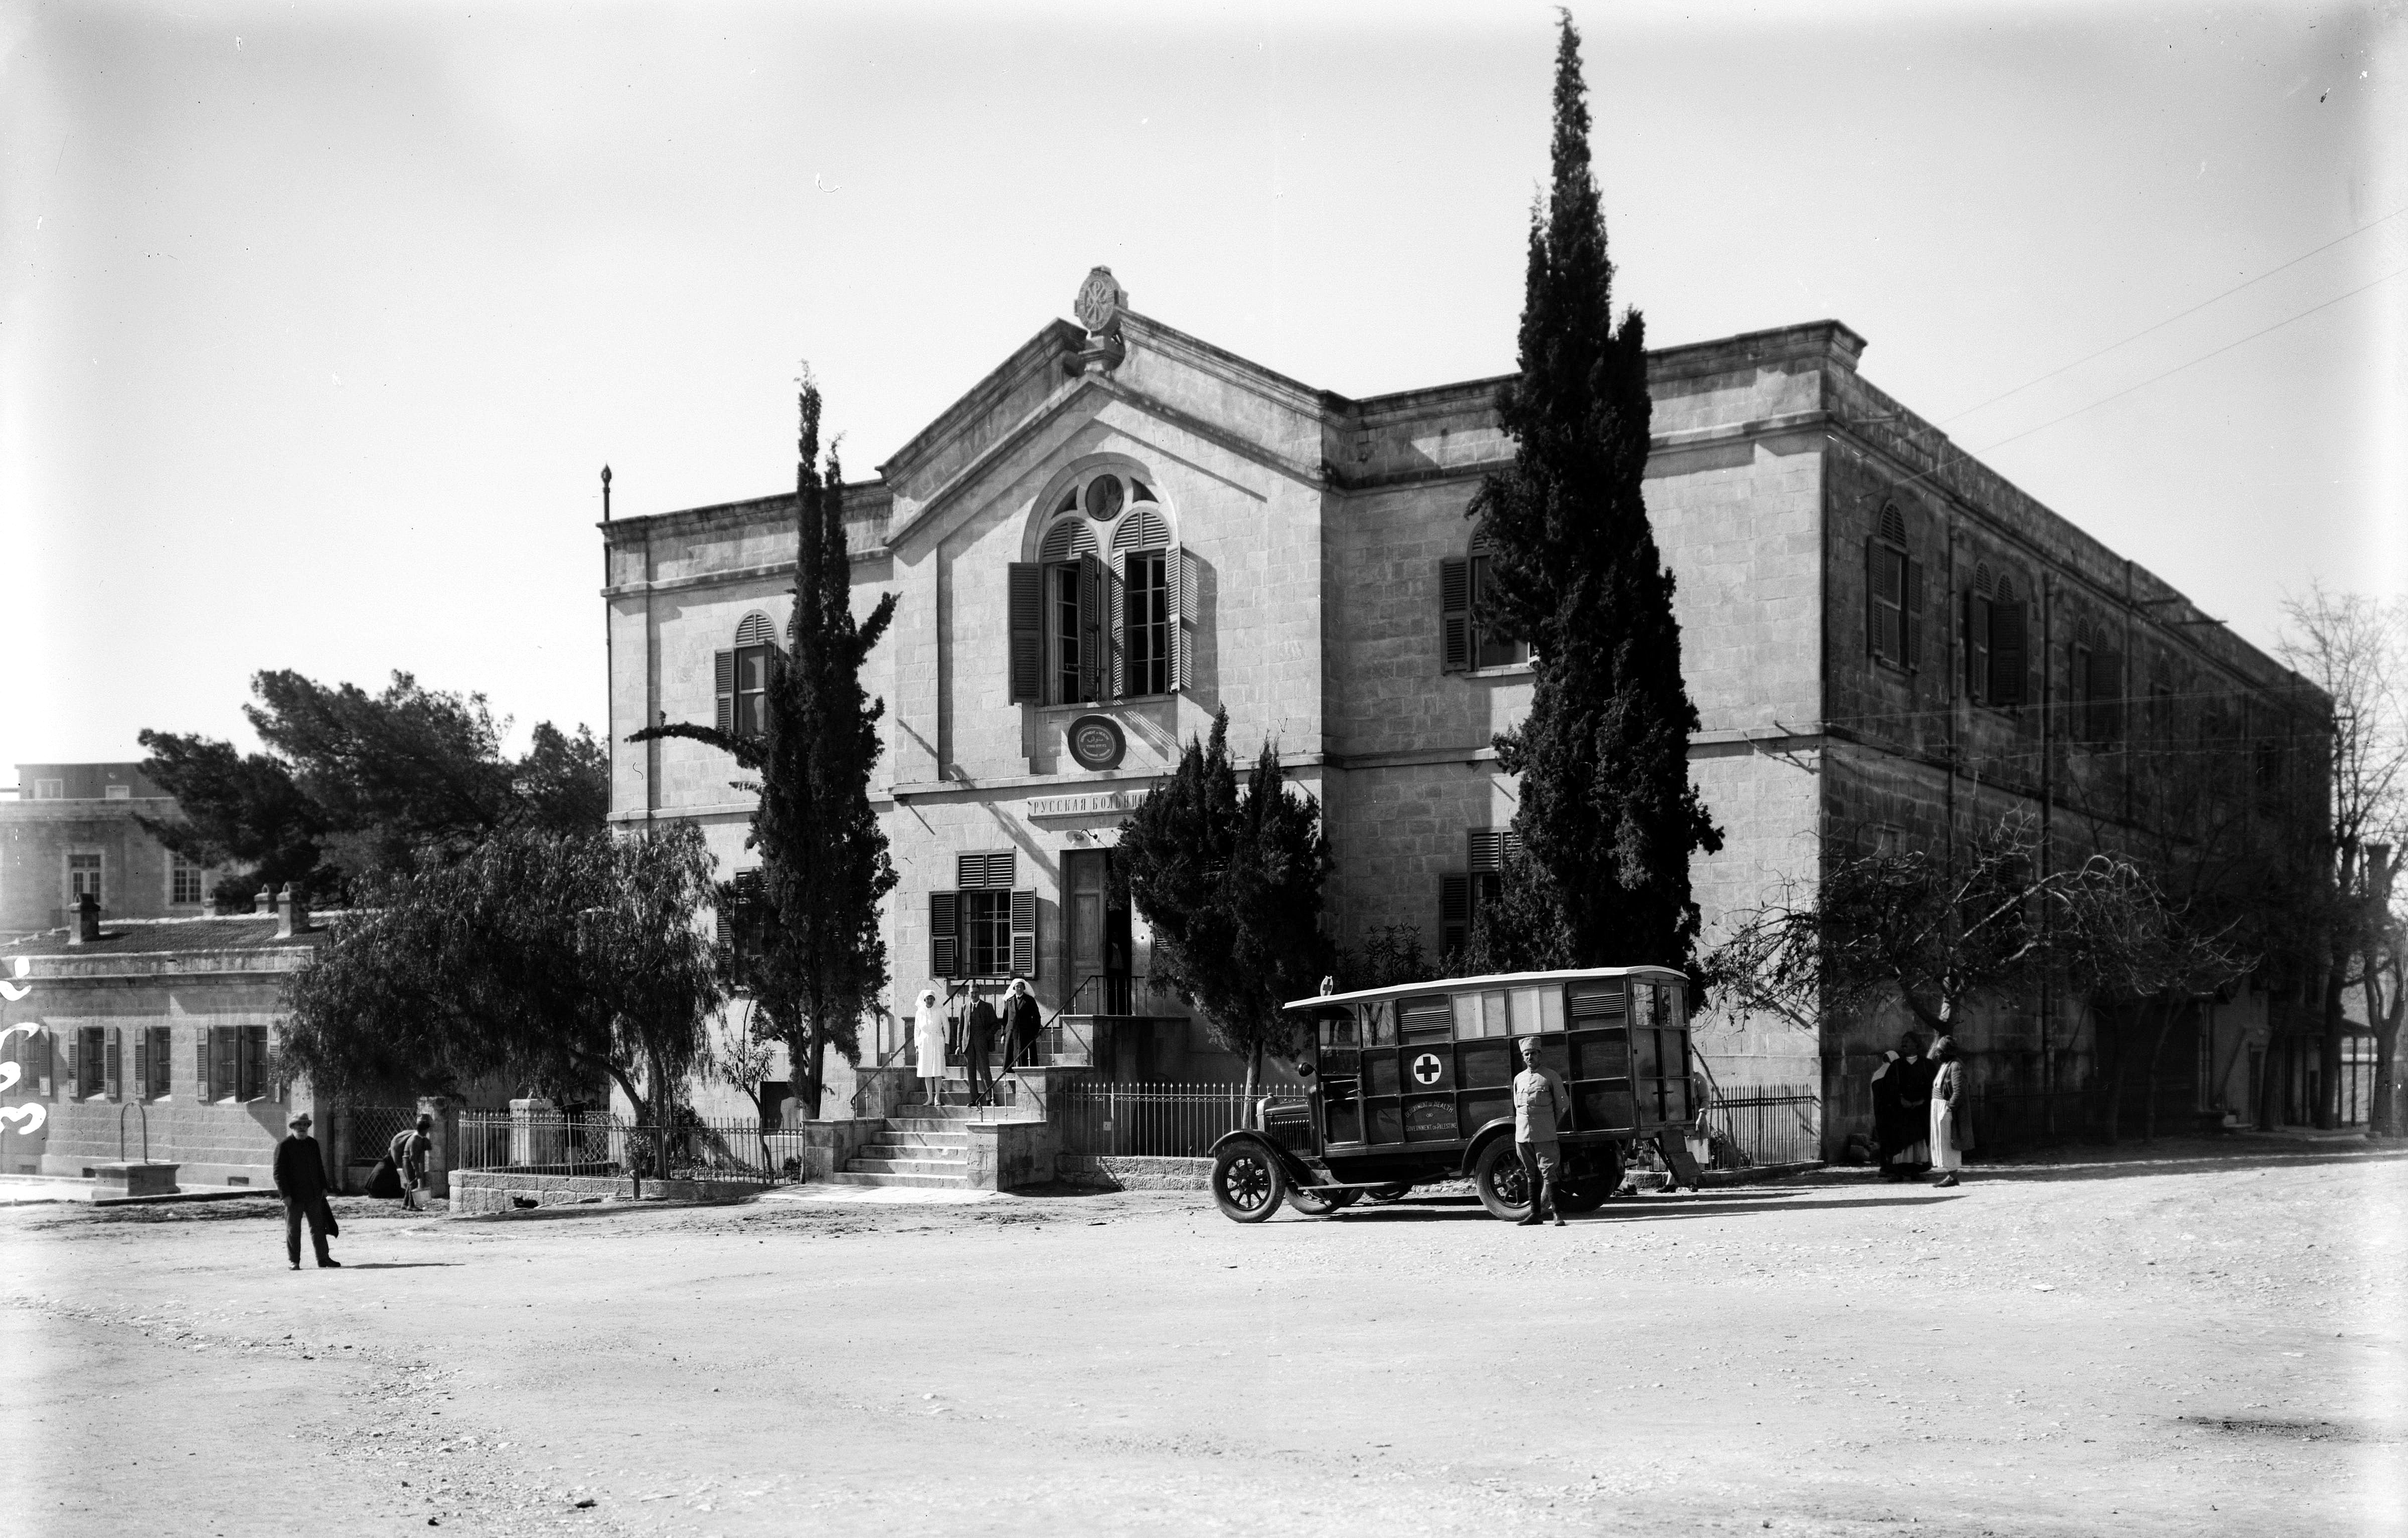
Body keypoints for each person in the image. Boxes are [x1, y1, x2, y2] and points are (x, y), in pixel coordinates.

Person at [1511, 1037, 1571, 1228]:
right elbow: (1517, 1106)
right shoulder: (1519, 1079)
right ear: (1523, 1057)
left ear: (1540, 1055)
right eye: (1526, 1054)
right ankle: (1535, 1214)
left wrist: (1549, 1124)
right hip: (1523, 1135)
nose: (1530, 1057)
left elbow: (1563, 1105)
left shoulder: (1550, 1077)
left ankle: (1557, 1214)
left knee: (1549, 1172)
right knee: (1531, 1173)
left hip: (1545, 1134)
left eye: (1533, 1053)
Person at [272, 1112, 339, 1270]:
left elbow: (319, 1167)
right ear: (293, 1127)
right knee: (293, 1230)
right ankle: (294, 1261)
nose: (302, 1128)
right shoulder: (284, 1146)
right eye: (299, 1125)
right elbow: (278, 1173)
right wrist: (285, 1195)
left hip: (314, 1195)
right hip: (293, 1197)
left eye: (305, 1125)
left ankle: (323, 1259)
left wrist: (324, 1187)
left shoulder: (312, 1144)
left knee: (319, 1228)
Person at [1869, 1031, 1931, 1180]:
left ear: (1916, 1044)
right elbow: (1889, 1088)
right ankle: (1897, 1172)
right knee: (1899, 1142)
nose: (1904, 1044)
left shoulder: (1926, 1065)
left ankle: (1915, 1171)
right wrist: (1900, 1100)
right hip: (1901, 1112)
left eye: (1908, 1041)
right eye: (1903, 1041)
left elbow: (1932, 1086)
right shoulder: (1896, 1066)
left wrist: (1922, 1101)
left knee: (1917, 1143)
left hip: (1919, 1112)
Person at [1928, 1035, 1964, 1187]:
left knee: (1950, 1142)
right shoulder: (1946, 1065)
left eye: (1939, 1052)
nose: (1937, 1055)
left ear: (1947, 1052)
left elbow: (1959, 1091)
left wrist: (1949, 1108)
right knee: (1943, 1142)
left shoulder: (1956, 1066)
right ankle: (1950, 1174)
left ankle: (1953, 1176)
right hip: (1938, 1106)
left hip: (1946, 1108)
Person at [389, 1113, 435, 1213]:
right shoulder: (415, 1139)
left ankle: (405, 1204)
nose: (427, 1132)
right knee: (413, 1184)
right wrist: (417, 1171)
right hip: (408, 1162)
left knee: (411, 1183)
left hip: (409, 1162)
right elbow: (413, 1157)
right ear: (423, 1130)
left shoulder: (419, 1138)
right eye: (427, 1130)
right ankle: (411, 1205)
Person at [964, 992, 1000, 1105]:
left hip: (982, 1042)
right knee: (971, 1071)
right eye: (972, 993)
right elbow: (962, 1026)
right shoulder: (965, 1007)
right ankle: (974, 1099)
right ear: (969, 994)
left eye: (976, 993)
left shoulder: (987, 1007)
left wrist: (986, 1036)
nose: (974, 995)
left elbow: (995, 1024)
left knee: (985, 1070)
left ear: (979, 993)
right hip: (969, 1043)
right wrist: (959, 1045)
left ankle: (990, 1099)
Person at [913, 987, 947, 1103]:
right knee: (927, 1071)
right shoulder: (920, 1012)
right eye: (928, 999)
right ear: (924, 1000)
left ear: (934, 1000)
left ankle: (937, 1097)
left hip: (937, 1041)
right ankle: (930, 1098)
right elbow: (916, 1030)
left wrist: (946, 1043)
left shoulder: (940, 1011)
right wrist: (917, 1045)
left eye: (931, 999)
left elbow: (946, 1027)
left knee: (937, 1070)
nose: (929, 1001)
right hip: (925, 1043)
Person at [1003, 977, 1042, 1071]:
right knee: (1011, 1056)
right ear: (1014, 988)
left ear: (1024, 988)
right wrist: (1003, 1034)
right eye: (1017, 987)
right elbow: (1005, 1020)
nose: (1019, 989)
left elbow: (1037, 1017)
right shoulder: (1009, 1001)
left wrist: (1033, 1032)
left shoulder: (1030, 1000)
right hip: (1012, 1034)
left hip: (1025, 1034)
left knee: (1024, 1058)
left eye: (1021, 987)